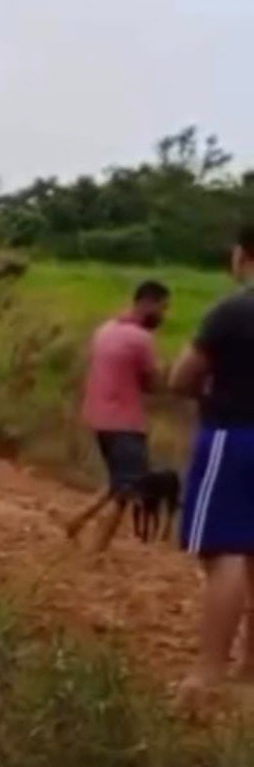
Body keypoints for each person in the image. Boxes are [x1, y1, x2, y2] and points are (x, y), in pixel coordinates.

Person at [170, 225, 254, 700]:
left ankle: (207, 673)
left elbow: (182, 377)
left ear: (242, 255)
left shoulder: (232, 310)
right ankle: (250, 672)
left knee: (225, 552)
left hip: (233, 436)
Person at [65, 281, 171, 550]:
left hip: (98, 418)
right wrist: (170, 375)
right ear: (148, 303)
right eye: (163, 307)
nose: (164, 315)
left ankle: (75, 521)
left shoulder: (105, 331)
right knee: (128, 490)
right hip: (124, 422)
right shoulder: (141, 339)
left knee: (119, 480)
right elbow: (154, 385)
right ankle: (97, 548)